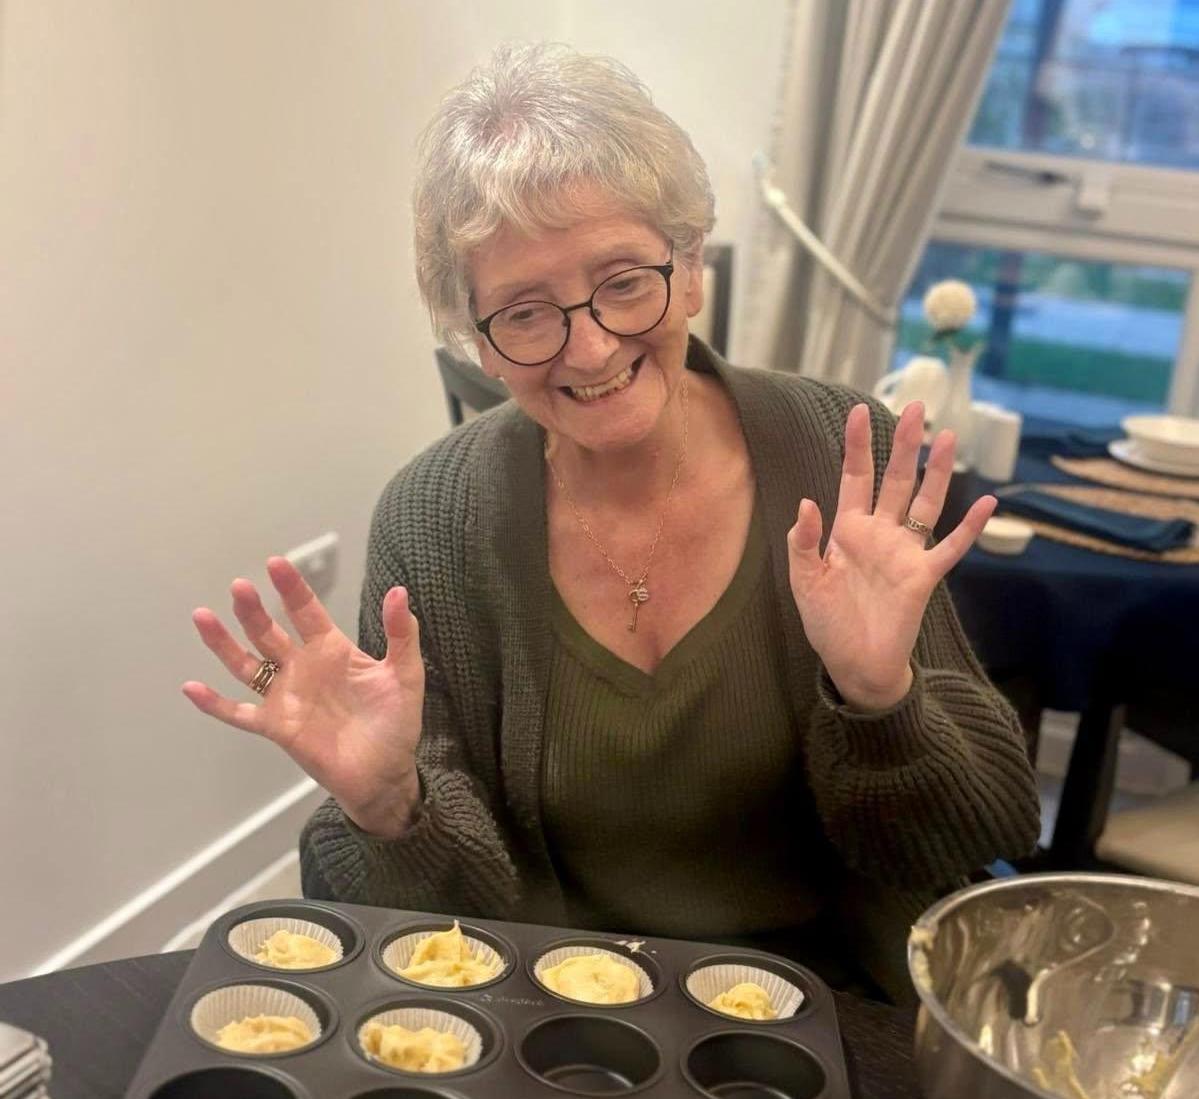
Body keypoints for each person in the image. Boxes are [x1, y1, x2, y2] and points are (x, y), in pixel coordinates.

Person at [182, 43, 1039, 1003]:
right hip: (541, 1016)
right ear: (475, 338)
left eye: (626, 280)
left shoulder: (835, 456)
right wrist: (390, 806)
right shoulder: (433, 517)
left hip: (822, 1008)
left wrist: (879, 699)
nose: (589, 346)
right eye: (525, 312)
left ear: (690, 267)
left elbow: (980, 832)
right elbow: (430, 932)